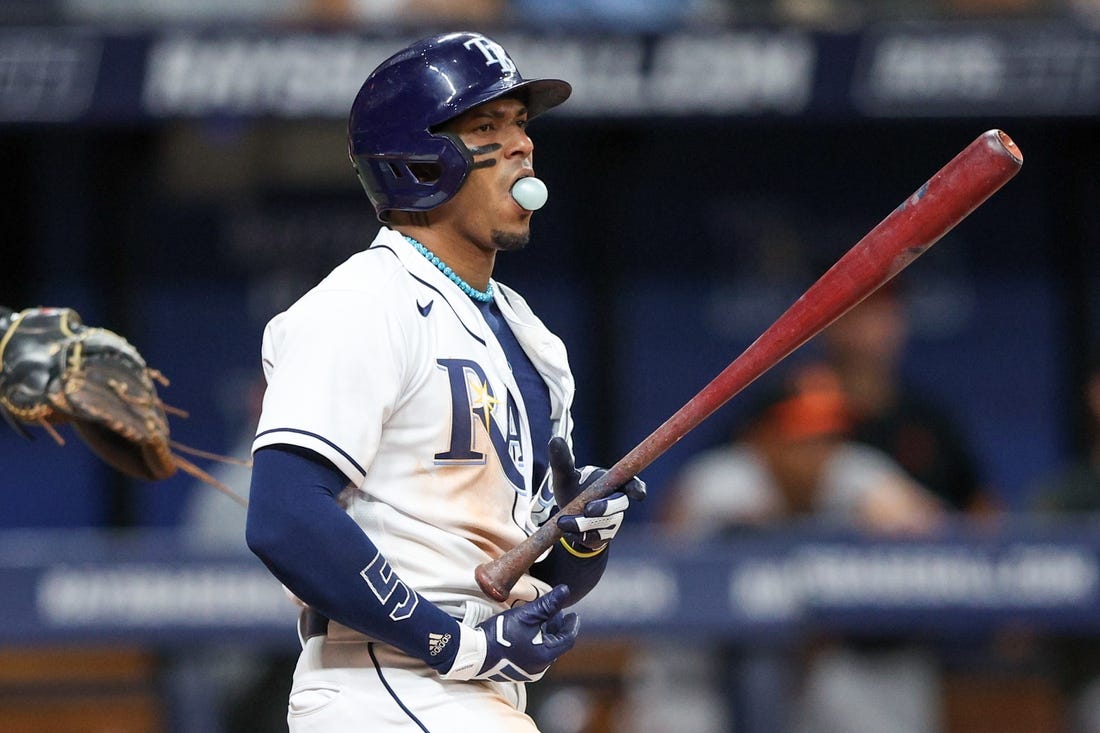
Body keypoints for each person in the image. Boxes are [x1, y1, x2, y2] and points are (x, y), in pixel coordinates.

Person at [244, 32, 646, 733]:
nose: (521, 144)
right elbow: (285, 518)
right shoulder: (365, 301)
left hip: (469, 689)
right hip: (383, 681)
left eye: (521, 123)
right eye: (487, 126)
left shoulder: (533, 340)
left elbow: (536, 580)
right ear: (420, 161)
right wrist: (455, 642)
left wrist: (578, 539)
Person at [625, 364, 944, 733]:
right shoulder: (719, 482)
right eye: (802, 437)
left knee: (858, 682)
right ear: (760, 438)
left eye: (829, 436)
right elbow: (667, 572)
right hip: (701, 670)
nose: (817, 453)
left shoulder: (853, 471)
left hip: (806, 669)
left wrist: (901, 520)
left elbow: (934, 532)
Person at [820, 284, 996, 514]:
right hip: (815, 548)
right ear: (829, 326)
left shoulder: (928, 417)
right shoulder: (790, 410)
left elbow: (980, 506)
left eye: (882, 314)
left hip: (926, 546)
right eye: (856, 315)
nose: (870, 330)